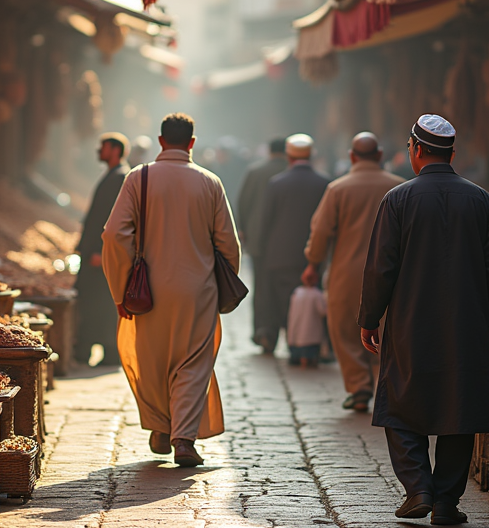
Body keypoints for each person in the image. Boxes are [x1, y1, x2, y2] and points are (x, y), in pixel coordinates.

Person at [359, 114, 489, 526]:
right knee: (458, 405)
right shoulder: (481, 200)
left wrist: (369, 317)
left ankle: (418, 488)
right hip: (468, 322)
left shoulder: (398, 199)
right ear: (451, 152)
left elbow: (381, 268)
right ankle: (446, 500)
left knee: (400, 400)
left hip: (410, 320)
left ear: (414, 150)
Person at [102, 113, 240, 467]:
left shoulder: (139, 177)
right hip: (198, 291)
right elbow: (228, 244)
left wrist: (120, 290)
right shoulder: (210, 182)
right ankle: (183, 437)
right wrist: (221, 285)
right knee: (193, 363)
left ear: (161, 141)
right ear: (192, 143)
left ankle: (160, 426)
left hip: (148, 293)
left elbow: (115, 235)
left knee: (152, 361)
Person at [302, 132, 405, 412]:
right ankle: (387, 385)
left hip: (346, 274)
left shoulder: (338, 189)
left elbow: (321, 232)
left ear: (351, 156)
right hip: (392, 274)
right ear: (380, 155)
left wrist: (314, 262)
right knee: (387, 331)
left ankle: (359, 386)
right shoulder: (400, 187)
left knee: (346, 331)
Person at [253, 134, 330, 354]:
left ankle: (291, 341)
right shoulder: (324, 182)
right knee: (313, 301)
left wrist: (260, 252)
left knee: (283, 302)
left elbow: (265, 221)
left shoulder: (277, 183)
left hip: (280, 256)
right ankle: (307, 346)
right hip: (315, 255)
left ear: (289, 156)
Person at [74, 133, 130, 366]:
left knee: (100, 303)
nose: (99, 151)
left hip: (102, 255)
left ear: (115, 150)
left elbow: (112, 219)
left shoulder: (120, 177)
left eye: (103, 147)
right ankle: (90, 348)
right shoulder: (113, 175)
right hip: (97, 253)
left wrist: (99, 249)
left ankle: (106, 351)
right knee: (93, 301)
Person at [235, 138, 287, 351]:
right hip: (286, 243)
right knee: (286, 288)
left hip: (259, 242)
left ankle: (264, 331)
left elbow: (242, 203)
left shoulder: (254, 171)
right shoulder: (290, 170)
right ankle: (292, 333)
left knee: (262, 288)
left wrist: (245, 231)